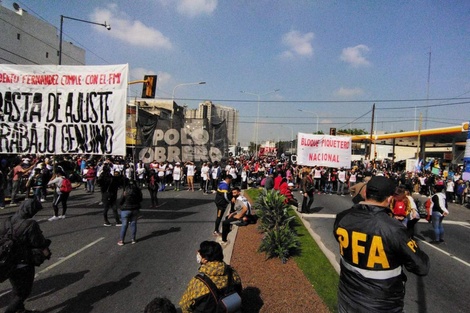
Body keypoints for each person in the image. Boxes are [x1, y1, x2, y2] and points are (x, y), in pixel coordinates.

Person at [333, 176, 429, 313]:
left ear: (365, 193)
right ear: (389, 199)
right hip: (382, 304)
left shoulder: (343, 217)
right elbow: (422, 266)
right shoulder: (394, 228)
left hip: (347, 298)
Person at [0, 198, 51, 313]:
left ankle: (20, 310)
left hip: (8, 262)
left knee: (16, 288)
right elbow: (38, 243)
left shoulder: (7, 220)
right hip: (24, 262)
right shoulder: (30, 224)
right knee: (23, 293)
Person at [179, 241, 242, 313]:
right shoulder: (232, 272)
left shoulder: (198, 283)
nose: (197, 252)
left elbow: (185, 305)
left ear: (205, 259)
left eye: (200, 252)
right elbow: (239, 290)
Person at [118, 180, 143, 246]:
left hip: (125, 209)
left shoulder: (125, 191)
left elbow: (121, 200)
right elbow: (140, 199)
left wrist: (120, 205)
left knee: (124, 225)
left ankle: (121, 240)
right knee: (133, 224)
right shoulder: (138, 191)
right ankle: (133, 239)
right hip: (135, 209)